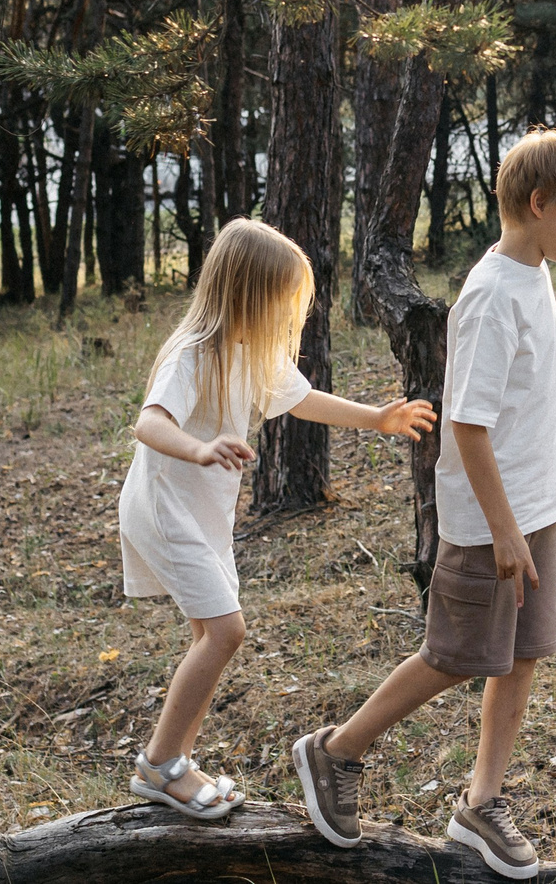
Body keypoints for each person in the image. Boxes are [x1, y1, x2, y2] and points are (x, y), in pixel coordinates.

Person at [292, 130, 556, 878]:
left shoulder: (534, 273)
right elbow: (465, 424)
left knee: (523, 654)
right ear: (538, 204)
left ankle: (481, 802)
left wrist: (534, 515)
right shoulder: (492, 295)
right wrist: (501, 530)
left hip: (535, 511)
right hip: (491, 524)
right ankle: (335, 751)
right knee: (455, 655)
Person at [119, 216, 437, 820]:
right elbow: (149, 421)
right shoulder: (192, 355)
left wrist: (377, 418)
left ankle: (178, 762)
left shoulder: (251, 353)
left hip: (202, 516)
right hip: (165, 512)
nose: (291, 318)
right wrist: (200, 447)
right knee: (226, 632)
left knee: (209, 635)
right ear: (246, 296)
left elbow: (303, 399)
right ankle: (159, 766)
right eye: (283, 303)